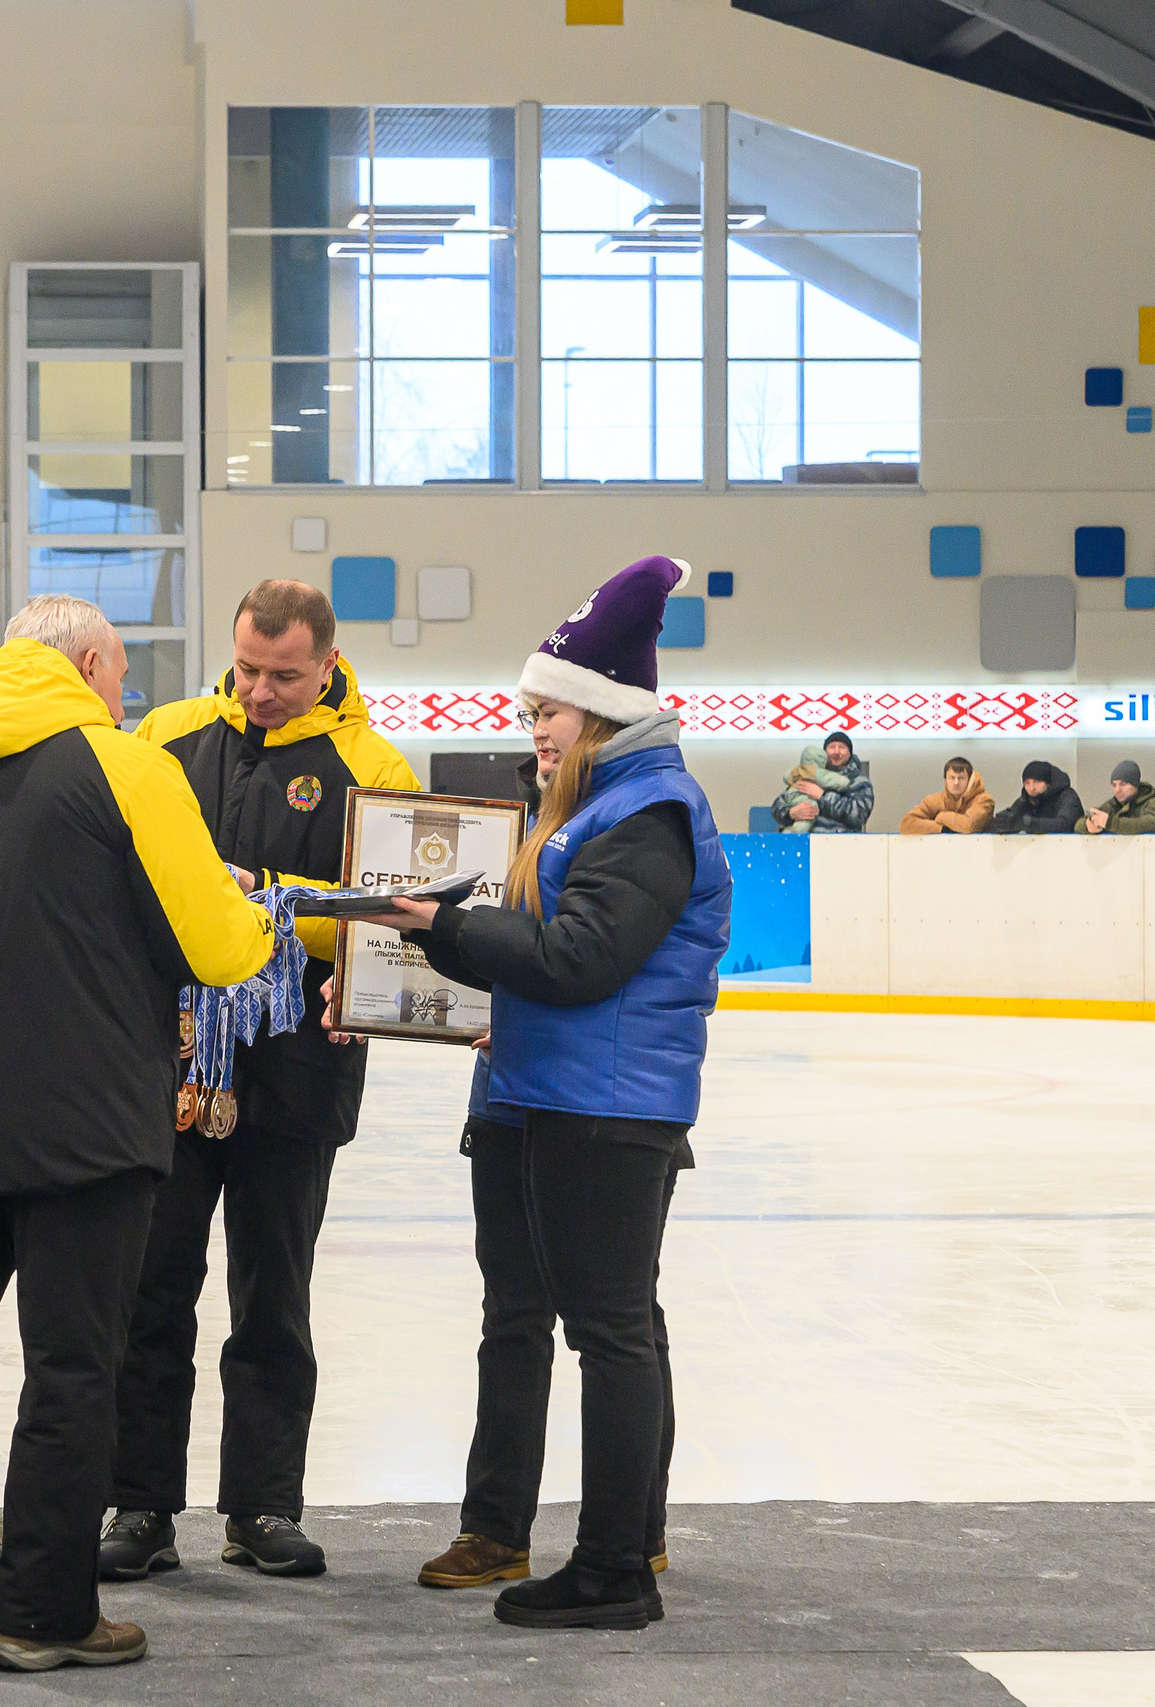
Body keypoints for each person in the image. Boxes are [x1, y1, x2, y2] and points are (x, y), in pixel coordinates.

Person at [0, 595, 273, 1674]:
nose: (123, 693)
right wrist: (253, 910)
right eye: (115, 672)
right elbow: (216, 950)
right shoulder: (125, 767)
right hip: (83, 1124)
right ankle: (42, 1613)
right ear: (82, 665)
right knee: (72, 1367)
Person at [343, 554, 730, 1633]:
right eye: (531, 708)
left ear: (602, 712)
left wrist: (443, 929)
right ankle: (507, 1527)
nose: (534, 726)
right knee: (520, 1315)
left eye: (547, 708)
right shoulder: (581, 808)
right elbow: (543, 963)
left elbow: (580, 960)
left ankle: (615, 1564)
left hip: (603, 1112)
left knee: (609, 1329)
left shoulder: (648, 814)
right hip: (532, 1094)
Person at [100, 578, 417, 1585]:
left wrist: (269, 905)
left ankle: (263, 1508)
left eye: (284, 674)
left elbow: (397, 917)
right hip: (171, 1069)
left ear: (327, 663)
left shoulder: (372, 765)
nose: (262, 690)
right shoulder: (169, 736)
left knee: (273, 1298)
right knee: (151, 1294)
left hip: (299, 1072)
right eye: (247, 668)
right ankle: (141, 1506)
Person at [414, 1040, 685, 1597]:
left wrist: (536, 1013)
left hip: (613, 1101)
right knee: (512, 1313)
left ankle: (635, 1531)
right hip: (506, 1101)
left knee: (624, 1316)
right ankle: (493, 1531)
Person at [767, 730, 871, 832]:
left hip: (840, 843)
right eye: (832, 747)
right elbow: (778, 806)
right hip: (804, 843)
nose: (836, 752)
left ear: (850, 752)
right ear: (824, 752)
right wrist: (791, 813)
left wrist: (822, 796)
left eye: (842, 747)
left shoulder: (857, 779)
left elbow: (859, 815)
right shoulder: (809, 773)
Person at [898, 758, 993, 836]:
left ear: (969, 780)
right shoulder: (935, 800)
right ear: (945, 780)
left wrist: (942, 816)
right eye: (952, 778)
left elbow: (969, 825)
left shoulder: (984, 800)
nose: (956, 783)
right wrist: (941, 828)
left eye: (961, 778)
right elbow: (906, 823)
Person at [988, 761, 1084, 834]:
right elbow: (1013, 816)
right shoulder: (1026, 799)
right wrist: (1005, 825)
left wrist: (1030, 824)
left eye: (1037, 782)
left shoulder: (1068, 796)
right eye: (1027, 783)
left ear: (1048, 783)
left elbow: (1065, 825)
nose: (1031, 788)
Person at [1078, 761, 1155, 835]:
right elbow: (1078, 825)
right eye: (1114, 785)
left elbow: (1152, 825)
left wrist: (1110, 823)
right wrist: (1089, 825)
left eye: (1123, 784)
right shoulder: (1112, 805)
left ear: (1135, 785)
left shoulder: (1154, 804)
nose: (1117, 790)